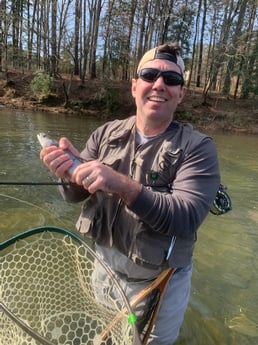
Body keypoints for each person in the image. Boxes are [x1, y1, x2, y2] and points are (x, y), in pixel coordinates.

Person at [40, 43, 220, 345]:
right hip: (104, 273)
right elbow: (75, 195)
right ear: (135, 86)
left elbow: (186, 218)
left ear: (181, 94)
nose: (159, 85)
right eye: (150, 75)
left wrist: (122, 184)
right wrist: (67, 175)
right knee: (108, 337)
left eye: (172, 80)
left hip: (158, 286)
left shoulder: (198, 148)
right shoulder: (105, 133)